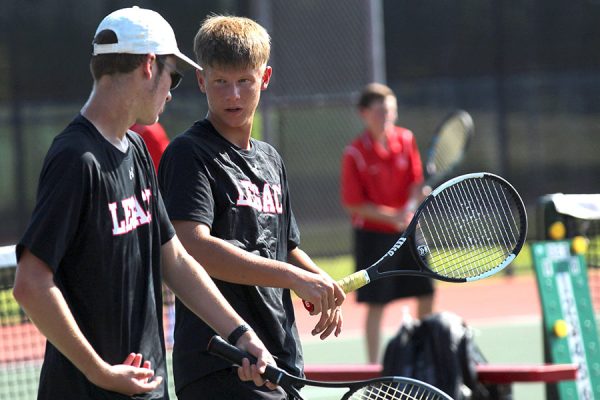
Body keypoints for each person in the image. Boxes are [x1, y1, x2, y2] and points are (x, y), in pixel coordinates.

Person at [12, 7, 275, 399]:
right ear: (149, 65)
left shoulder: (135, 148)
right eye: (175, 74)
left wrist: (241, 333)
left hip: (147, 388)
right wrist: (100, 372)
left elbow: (174, 259)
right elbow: (30, 283)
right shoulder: (76, 158)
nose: (172, 91)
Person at [158, 15, 346, 399]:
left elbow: (284, 245)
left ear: (265, 77)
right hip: (222, 360)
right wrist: (294, 279)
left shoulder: (271, 159)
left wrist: (318, 282)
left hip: (280, 359)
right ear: (200, 81)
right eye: (220, 82)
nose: (234, 96)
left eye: (244, 80)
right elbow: (192, 247)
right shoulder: (188, 153)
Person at [340, 82, 435, 363]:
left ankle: (424, 353)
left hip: (409, 231)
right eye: (381, 111)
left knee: (426, 291)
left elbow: (416, 184)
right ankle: (372, 367)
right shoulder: (354, 153)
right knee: (376, 303)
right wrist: (392, 217)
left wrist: (417, 199)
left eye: (391, 111)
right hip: (373, 237)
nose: (387, 117)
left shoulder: (406, 139)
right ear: (364, 114)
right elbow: (353, 204)